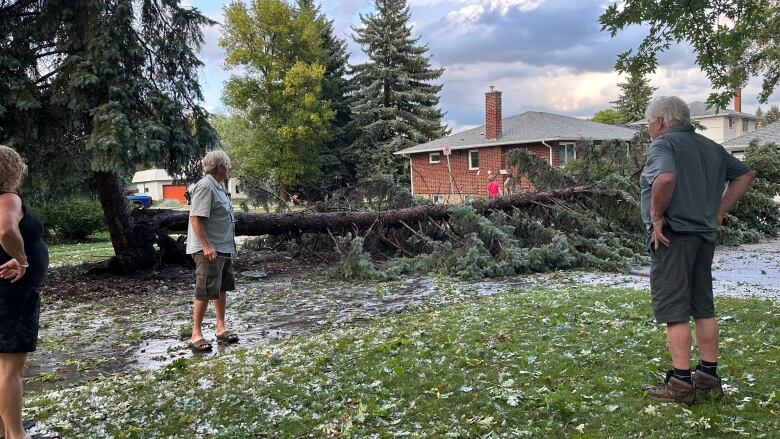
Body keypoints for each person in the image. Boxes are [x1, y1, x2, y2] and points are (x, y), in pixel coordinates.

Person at [639, 97, 755, 405]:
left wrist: (656, 216)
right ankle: (707, 375)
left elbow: (664, 178)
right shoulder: (710, 146)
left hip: (672, 237)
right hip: (704, 237)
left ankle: (679, 383)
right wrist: (719, 211)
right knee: (703, 306)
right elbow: (745, 174)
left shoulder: (664, 145)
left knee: (674, 309)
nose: (649, 129)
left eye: (649, 124)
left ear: (661, 121)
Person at [0, 145, 49, 439]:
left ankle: (5, 431)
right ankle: (17, 435)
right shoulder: (8, 198)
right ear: (12, 169)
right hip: (12, 294)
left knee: (2, 366)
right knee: (10, 369)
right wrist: (23, 259)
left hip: (5, 294)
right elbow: (6, 230)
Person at [186, 150, 239, 352]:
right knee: (205, 289)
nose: (228, 169)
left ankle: (220, 328)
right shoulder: (206, 186)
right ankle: (196, 334)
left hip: (223, 248)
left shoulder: (219, 187)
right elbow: (195, 218)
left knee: (220, 288)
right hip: (208, 249)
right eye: (227, 165)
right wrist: (206, 246)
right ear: (219, 167)